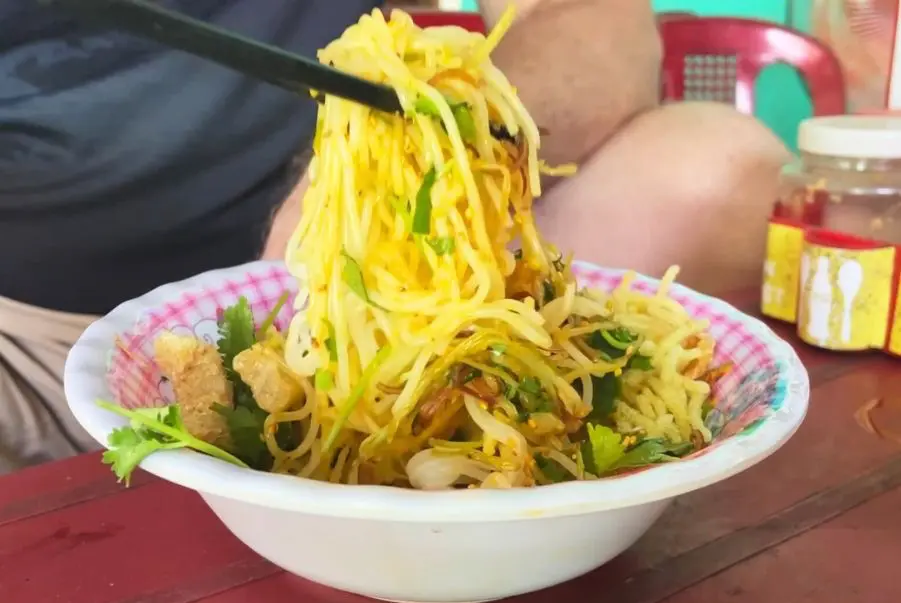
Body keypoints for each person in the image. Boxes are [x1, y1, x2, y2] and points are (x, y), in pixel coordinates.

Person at [0, 0, 788, 472]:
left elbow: (587, 19)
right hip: (19, 335)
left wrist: (437, 153)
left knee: (715, 159)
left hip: (398, 295)